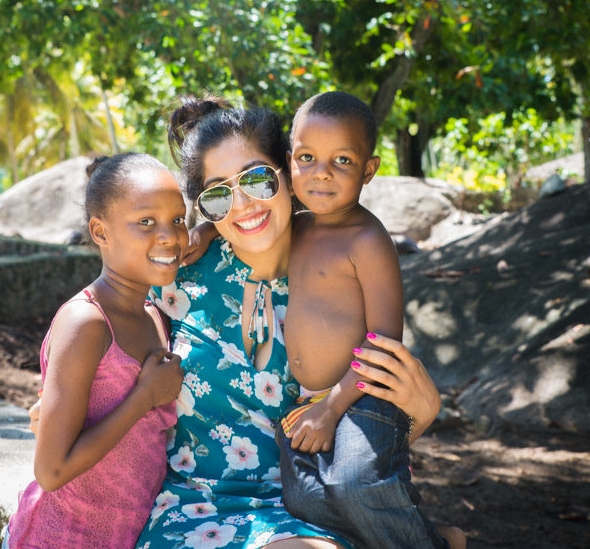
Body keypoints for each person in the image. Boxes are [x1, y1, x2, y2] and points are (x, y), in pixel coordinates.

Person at [28, 97, 448, 548]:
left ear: (286, 174)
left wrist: (420, 416)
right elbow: (97, 377)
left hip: (304, 508)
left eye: (257, 179)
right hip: (190, 509)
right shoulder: (177, 278)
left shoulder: (338, 275)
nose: (243, 204)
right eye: (218, 194)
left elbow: (370, 435)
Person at [276, 91, 464, 548]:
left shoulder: (367, 238)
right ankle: (435, 539)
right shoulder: (295, 226)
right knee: (303, 501)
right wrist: (200, 228)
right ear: (289, 161)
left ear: (369, 169)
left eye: (342, 160)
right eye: (307, 157)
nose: (321, 172)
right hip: (308, 399)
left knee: (356, 485)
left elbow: (383, 340)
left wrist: (332, 407)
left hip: (364, 398)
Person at [6, 154, 188, 548]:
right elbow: (51, 471)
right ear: (100, 232)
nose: (170, 236)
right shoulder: (86, 322)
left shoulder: (154, 315)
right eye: (146, 222)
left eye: (178, 219)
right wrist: (144, 397)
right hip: (60, 537)